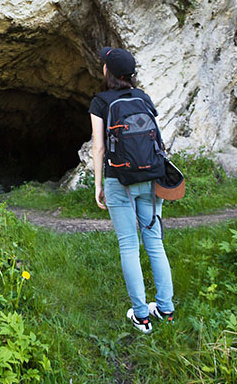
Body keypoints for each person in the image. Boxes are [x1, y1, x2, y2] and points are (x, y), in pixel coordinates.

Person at [89, 47, 174, 334]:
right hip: (151, 179)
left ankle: (141, 316)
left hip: (119, 180)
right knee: (155, 244)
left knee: (129, 246)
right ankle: (165, 308)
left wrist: (98, 184)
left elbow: (99, 147)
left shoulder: (100, 101)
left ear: (108, 72)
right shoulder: (143, 98)